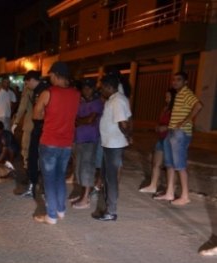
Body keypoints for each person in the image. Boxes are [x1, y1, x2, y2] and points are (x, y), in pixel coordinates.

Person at [33, 62, 80, 225]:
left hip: (50, 142)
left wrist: (46, 114)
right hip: (66, 143)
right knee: (60, 177)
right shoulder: (76, 94)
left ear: (56, 75)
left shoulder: (48, 93)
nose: (50, 78)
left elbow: (36, 114)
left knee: (49, 180)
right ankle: (61, 210)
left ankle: (51, 215)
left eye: (51, 75)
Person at [153, 72, 203, 206]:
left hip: (180, 133)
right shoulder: (178, 95)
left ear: (185, 82)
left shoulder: (186, 93)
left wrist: (186, 121)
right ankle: (169, 192)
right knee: (170, 164)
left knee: (180, 165)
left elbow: (198, 105)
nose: (175, 82)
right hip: (172, 132)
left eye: (179, 80)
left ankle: (185, 196)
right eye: (174, 80)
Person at [92, 74, 132, 221]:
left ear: (109, 87)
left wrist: (127, 136)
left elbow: (123, 123)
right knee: (107, 177)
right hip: (109, 144)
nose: (101, 90)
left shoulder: (117, 101)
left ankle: (111, 211)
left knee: (111, 179)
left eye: (102, 87)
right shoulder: (115, 99)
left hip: (113, 145)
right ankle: (108, 208)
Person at [71, 78, 104, 209]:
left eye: (89, 87)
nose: (86, 90)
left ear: (93, 88)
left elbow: (90, 120)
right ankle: (82, 194)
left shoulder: (97, 103)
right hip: (79, 138)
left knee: (87, 168)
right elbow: (75, 118)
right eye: (84, 87)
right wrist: (80, 120)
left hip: (91, 139)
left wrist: (79, 120)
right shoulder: (81, 102)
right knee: (79, 168)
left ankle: (86, 198)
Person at [139, 88, 177, 193]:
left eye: (168, 96)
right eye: (166, 96)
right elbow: (161, 121)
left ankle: (172, 188)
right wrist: (157, 127)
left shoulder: (176, 110)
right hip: (161, 138)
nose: (166, 98)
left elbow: (177, 124)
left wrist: (165, 127)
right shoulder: (165, 109)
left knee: (170, 165)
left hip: (170, 139)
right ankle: (153, 185)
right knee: (156, 163)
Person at [19, 71, 50, 198]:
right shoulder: (40, 90)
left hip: (41, 128)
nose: (27, 85)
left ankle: (40, 187)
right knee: (33, 157)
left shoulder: (44, 91)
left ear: (32, 80)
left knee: (39, 158)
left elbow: (41, 112)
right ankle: (34, 186)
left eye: (27, 83)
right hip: (38, 128)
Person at [11, 71, 35, 168]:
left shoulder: (28, 91)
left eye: (25, 83)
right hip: (43, 124)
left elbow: (22, 107)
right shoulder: (44, 90)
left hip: (30, 123)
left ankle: (27, 168)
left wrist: (15, 122)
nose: (25, 86)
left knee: (26, 147)